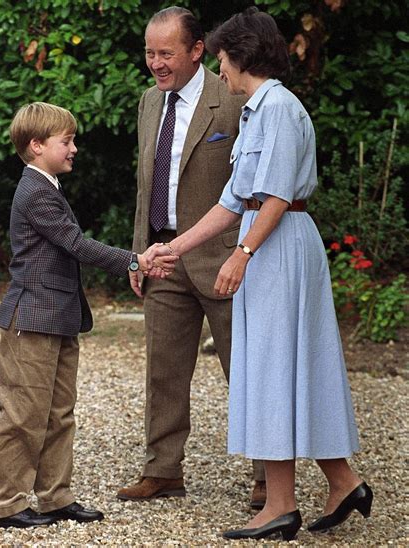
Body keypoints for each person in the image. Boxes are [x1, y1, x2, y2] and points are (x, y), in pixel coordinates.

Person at [152, 7, 373, 541]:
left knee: (276, 369)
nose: (220, 71)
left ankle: (280, 506)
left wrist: (241, 255)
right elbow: (233, 202)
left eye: (222, 59)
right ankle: (342, 483)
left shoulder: (277, 108)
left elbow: (274, 197)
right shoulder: (255, 110)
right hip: (264, 242)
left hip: (278, 247)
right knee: (280, 368)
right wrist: (172, 250)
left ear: (240, 56)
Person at [0, 102, 176, 528]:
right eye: (66, 141)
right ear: (36, 146)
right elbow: (75, 243)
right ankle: (6, 504)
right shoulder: (35, 192)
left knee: (58, 412)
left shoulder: (48, 186)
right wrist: (135, 261)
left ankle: (55, 497)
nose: (74, 149)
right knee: (23, 416)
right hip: (31, 320)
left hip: (57, 318)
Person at [117, 6, 266, 505]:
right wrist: (139, 254)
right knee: (162, 372)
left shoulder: (235, 96)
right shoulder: (147, 102)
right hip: (163, 259)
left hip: (223, 261)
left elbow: (259, 186)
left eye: (166, 53)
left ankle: (268, 478)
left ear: (197, 50)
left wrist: (246, 252)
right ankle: (163, 471)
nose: (155, 63)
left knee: (243, 371)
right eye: (149, 53)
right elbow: (144, 186)